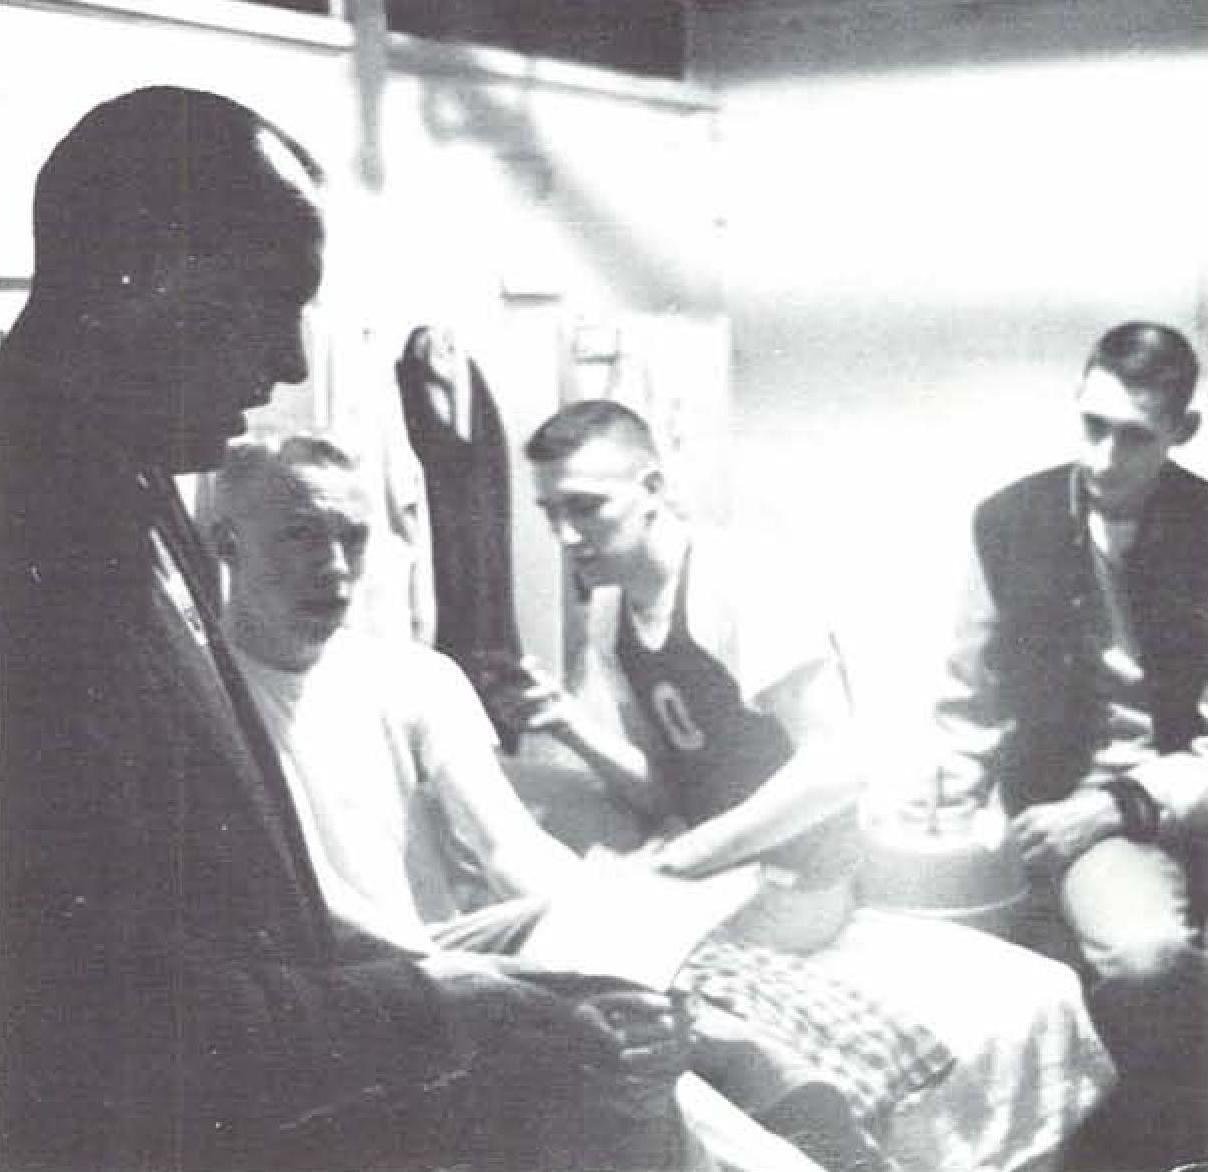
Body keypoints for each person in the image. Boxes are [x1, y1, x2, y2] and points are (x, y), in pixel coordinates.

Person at [0, 86, 695, 1172]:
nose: (289, 361)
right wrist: (423, 1009)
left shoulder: (133, 482)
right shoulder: (29, 525)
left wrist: (465, 988)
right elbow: (75, 1009)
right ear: (137, 273)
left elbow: (211, 886)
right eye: (268, 302)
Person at [505, 398, 1118, 1172]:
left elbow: (838, 767)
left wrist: (685, 857)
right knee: (562, 956)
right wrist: (568, 725)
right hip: (712, 878)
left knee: (611, 981)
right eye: (550, 512)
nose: (566, 535)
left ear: (653, 487)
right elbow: (663, 794)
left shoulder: (738, 584)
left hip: (799, 880)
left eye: (586, 507)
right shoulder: (608, 614)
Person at [935, 321, 1208, 1156]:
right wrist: (950, 796)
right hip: (1079, 807)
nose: (1104, 458)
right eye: (1094, 425)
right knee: (1145, 950)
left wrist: (1125, 801)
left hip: (1172, 789)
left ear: (1183, 431)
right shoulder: (1006, 521)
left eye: (1135, 437)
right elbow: (968, 700)